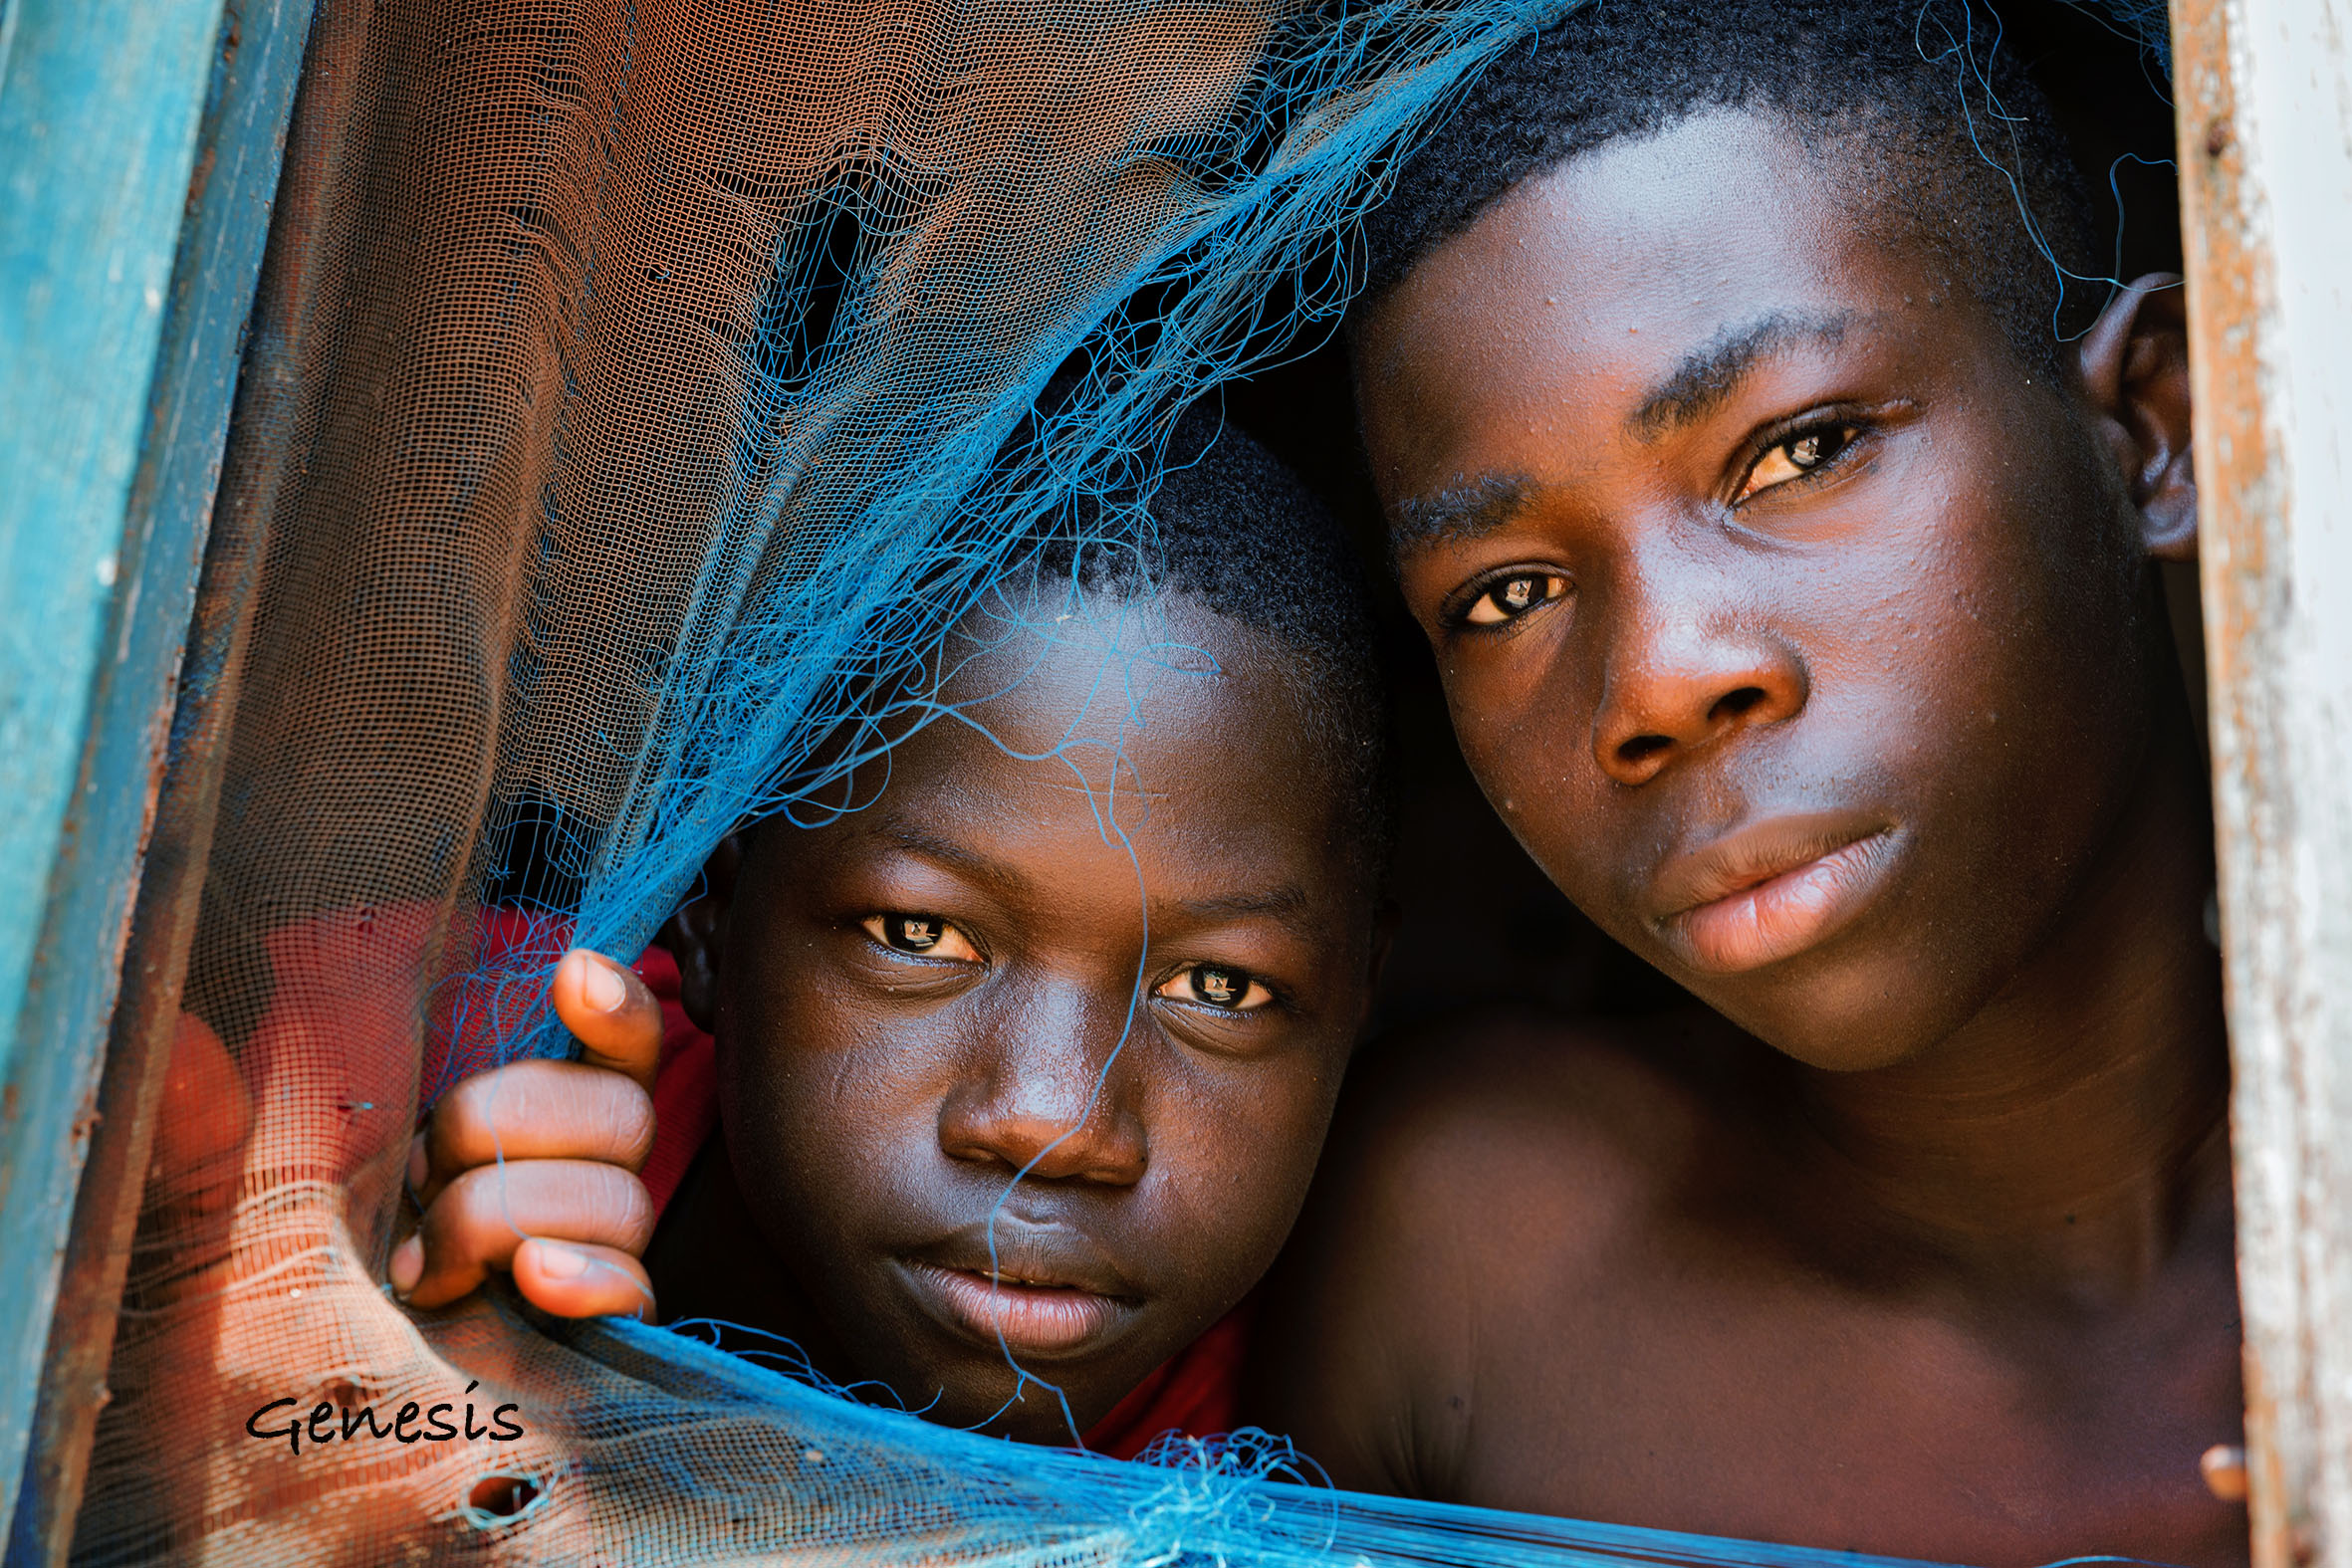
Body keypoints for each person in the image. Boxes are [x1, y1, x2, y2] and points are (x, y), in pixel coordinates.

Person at [1243, 4, 2245, 1563]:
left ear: (2149, 432)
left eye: (1798, 450)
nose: (1658, 676)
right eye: (1503, 595)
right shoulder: (1469, 1272)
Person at [391, 415, 1396, 1451]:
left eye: (1217, 989)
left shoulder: (1324, 1421)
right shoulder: (402, 1066)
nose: (1054, 1125)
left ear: (1356, 1008)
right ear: (711, 913)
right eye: (917, 933)